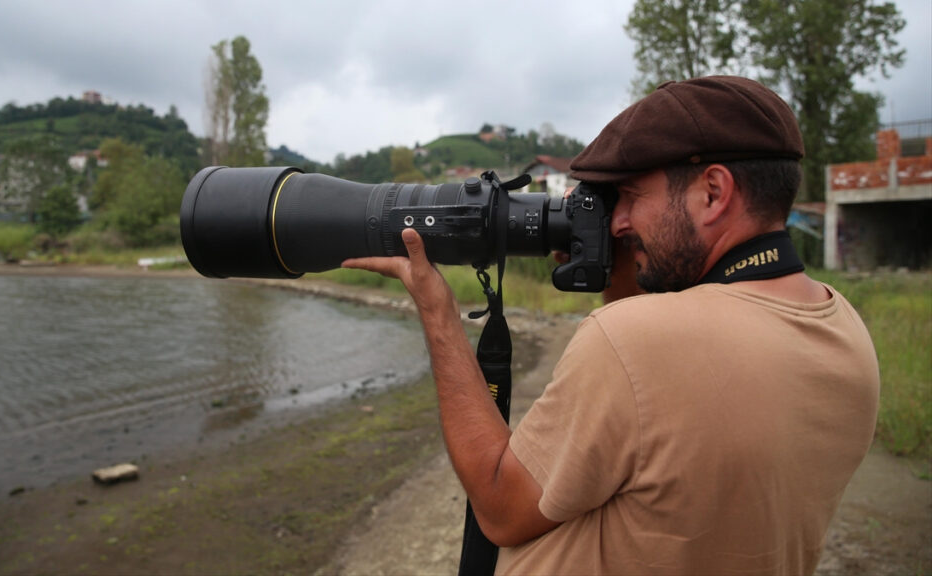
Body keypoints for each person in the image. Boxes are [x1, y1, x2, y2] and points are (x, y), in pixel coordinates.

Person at [343, 76, 879, 575]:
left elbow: (501, 508)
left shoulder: (635, 342)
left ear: (714, 192)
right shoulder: (842, 329)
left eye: (630, 197)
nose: (618, 222)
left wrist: (437, 311)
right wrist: (619, 269)